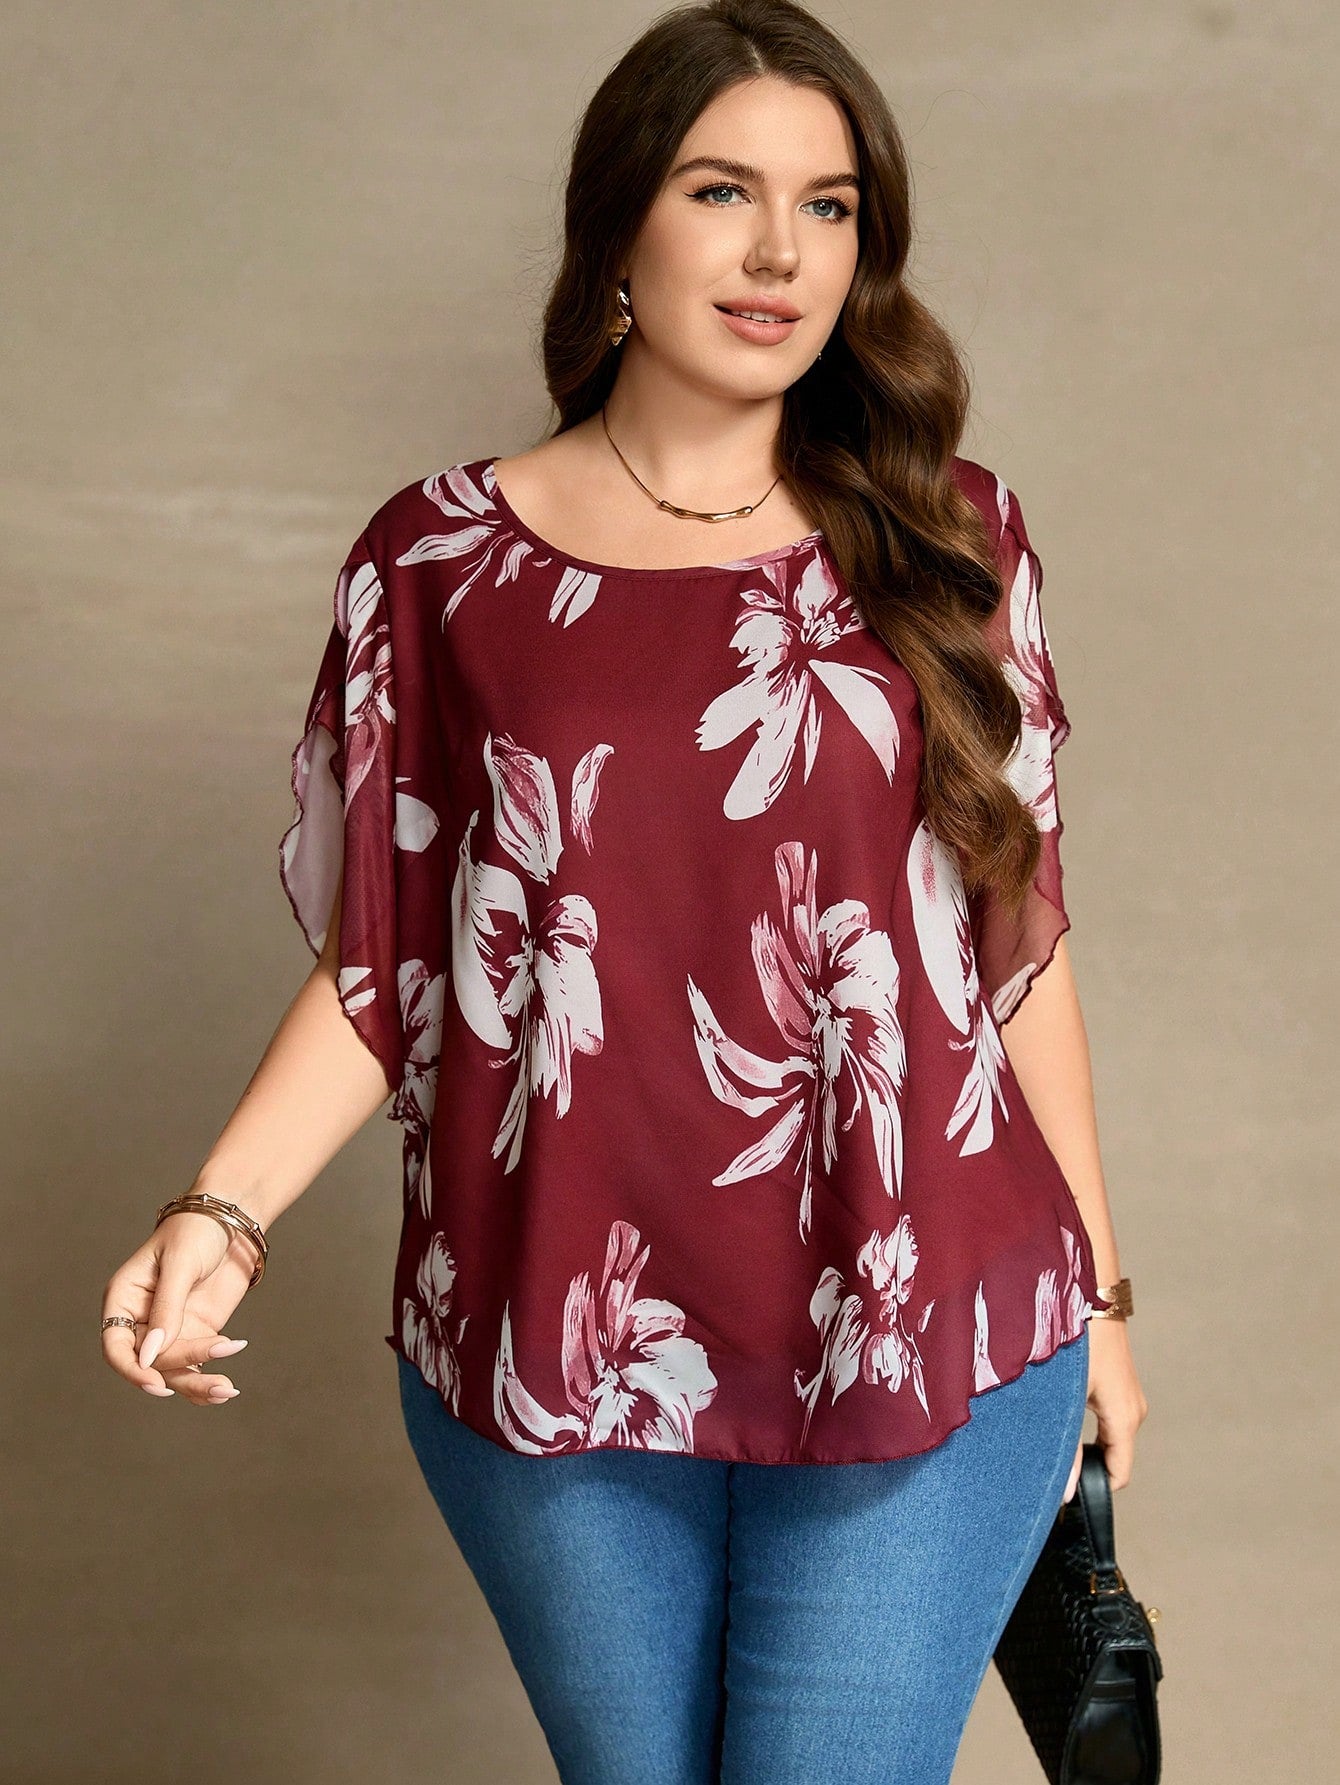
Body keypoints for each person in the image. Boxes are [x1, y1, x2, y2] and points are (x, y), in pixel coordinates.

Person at [100, 3, 1149, 1779]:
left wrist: (1105, 1304)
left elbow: (1014, 952)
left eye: (828, 206)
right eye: (722, 190)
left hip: (918, 1310)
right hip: (555, 1328)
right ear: (617, 231)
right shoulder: (438, 564)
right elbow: (392, 962)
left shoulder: (951, 538)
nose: (778, 252)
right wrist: (221, 1212)